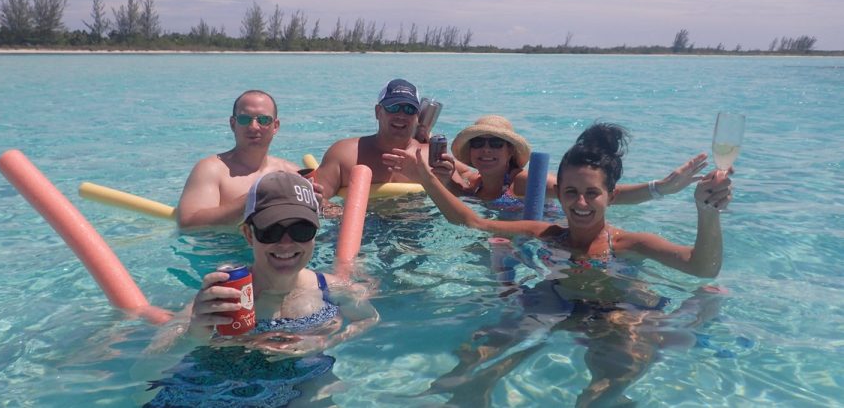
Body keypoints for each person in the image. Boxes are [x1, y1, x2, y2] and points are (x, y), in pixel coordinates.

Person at [392, 123, 732, 406]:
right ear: (559, 194)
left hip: (619, 314)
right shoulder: (547, 233)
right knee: (480, 353)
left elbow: (701, 266)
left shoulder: (629, 243)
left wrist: (707, 212)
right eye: (570, 192)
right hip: (554, 304)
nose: (580, 203)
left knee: (607, 383)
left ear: (611, 196)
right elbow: (472, 223)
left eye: (591, 193)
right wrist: (426, 177)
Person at [145, 171, 378, 407]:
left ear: (315, 234)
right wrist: (193, 335)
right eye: (271, 231)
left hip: (298, 386)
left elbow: (369, 320)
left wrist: (323, 342)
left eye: (301, 230)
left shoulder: (332, 290)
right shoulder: (224, 297)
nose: (286, 243)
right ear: (249, 234)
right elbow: (144, 370)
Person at [435, 115, 709, 212]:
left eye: (496, 143)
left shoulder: (524, 182)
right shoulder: (474, 183)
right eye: (479, 143)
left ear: (510, 152)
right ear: (469, 152)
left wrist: (660, 188)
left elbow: (592, 194)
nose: (486, 150)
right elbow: (454, 182)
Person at [176, 90, 302, 229]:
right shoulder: (211, 170)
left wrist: (321, 205)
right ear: (232, 124)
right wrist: (251, 200)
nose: (254, 127)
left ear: (275, 126)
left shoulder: (292, 173)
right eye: (244, 119)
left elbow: (325, 212)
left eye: (264, 120)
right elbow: (188, 222)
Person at [314, 78, 428, 206]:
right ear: (378, 112)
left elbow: (454, 193)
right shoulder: (344, 154)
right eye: (393, 107)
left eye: (409, 109)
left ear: (417, 116)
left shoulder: (429, 156)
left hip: (419, 221)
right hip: (360, 222)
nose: (401, 115)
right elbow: (313, 199)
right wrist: (336, 211)